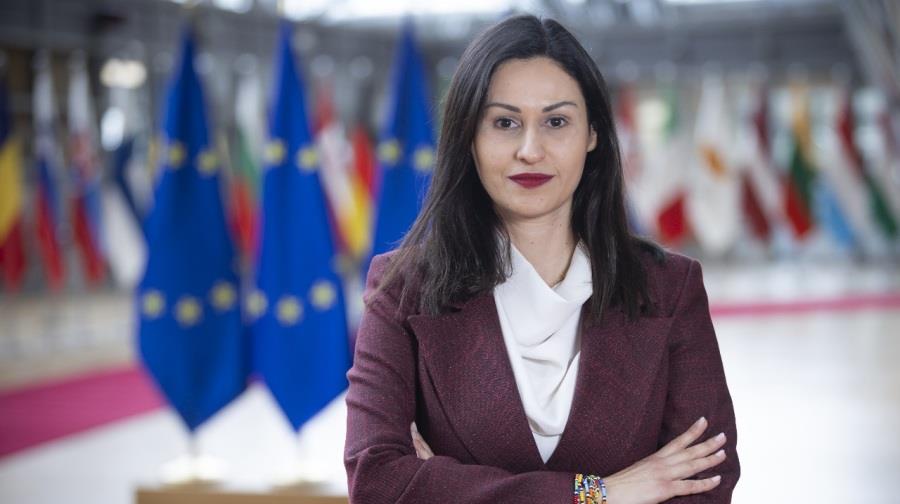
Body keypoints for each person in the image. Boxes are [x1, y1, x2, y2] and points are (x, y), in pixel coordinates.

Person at [344, 14, 739, 503]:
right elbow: (378, 482)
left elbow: (704, 486)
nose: (530, 150)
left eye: (556, 122)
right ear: (469, 137)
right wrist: (601, 494)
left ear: (592, 133)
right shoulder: (403, 289)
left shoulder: (668, 288)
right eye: (505, 123)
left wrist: (445, 485)